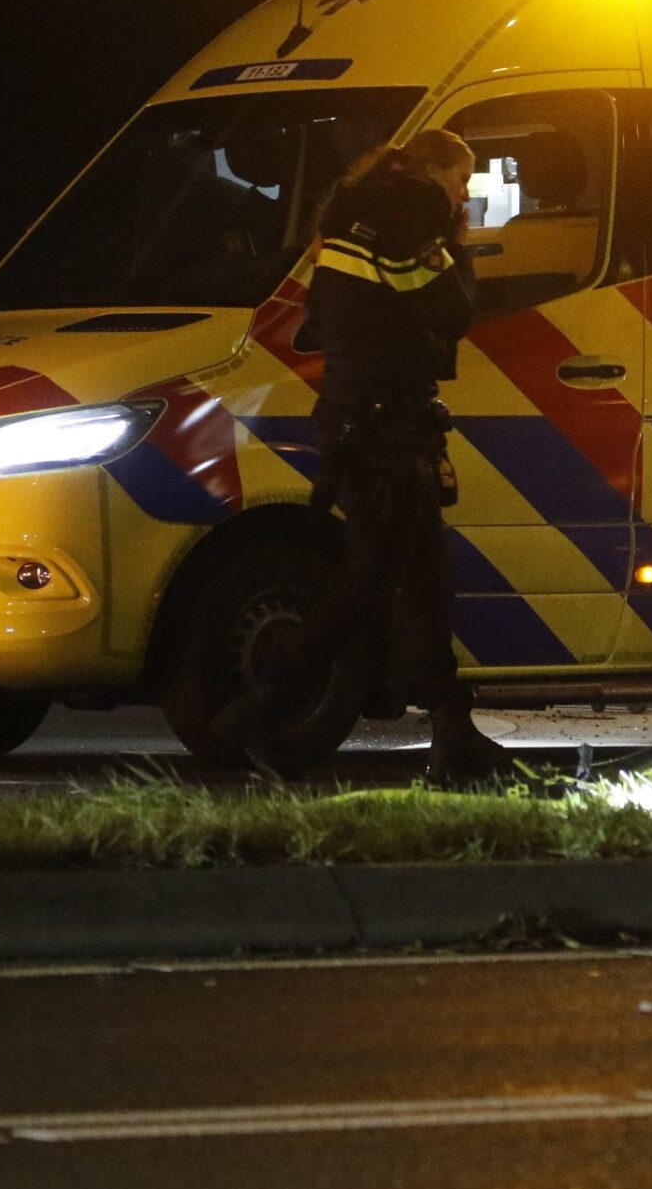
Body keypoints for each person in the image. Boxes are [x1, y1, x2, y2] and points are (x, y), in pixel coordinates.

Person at [216, 128, 512, 782]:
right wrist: (460, 254)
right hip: (386, 428)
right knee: (373, 579)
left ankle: (453, 732)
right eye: (461, 179)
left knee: (420, 576)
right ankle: (263, 703)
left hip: (360, 420)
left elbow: (324, 318)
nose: (464, 193)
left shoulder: (347, 218)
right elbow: (452, 311)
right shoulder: (412, 218)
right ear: (433, 172)